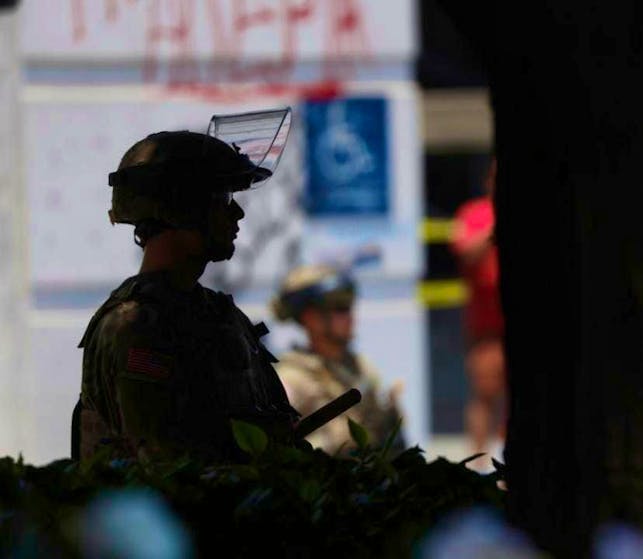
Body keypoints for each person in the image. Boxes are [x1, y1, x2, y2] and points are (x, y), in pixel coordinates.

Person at [74, 111, 300, 462]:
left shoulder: (218, 315)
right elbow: (164, 464)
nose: (237, 214)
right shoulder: (135, 326)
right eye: (222, 199)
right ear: (182, 208)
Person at [270, 264, 404, 454]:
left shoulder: (360, 366)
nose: (350, 317)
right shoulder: (292, 378)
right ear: (311, 318)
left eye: (349, 307)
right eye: (340, 308)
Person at [451, 157, 505, 460]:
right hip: (485, 324)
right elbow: (464, 252)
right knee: (484, 392)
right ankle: (478, 460)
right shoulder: (474, 214)